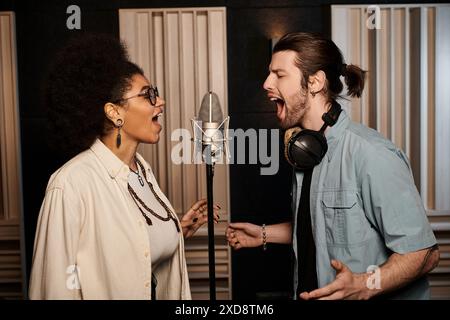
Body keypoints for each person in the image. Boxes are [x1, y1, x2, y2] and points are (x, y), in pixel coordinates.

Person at [226, 32, 439, 300]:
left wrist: (365, 284)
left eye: (279, 75)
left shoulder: (371, 153)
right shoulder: (305, 152)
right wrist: (264, 234)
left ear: (314, 82)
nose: (266, 83)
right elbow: (324, 225)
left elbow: (425, 254)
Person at [29, 34, 219, 300]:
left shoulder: (142, 171)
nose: (160, 102)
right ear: (114, 112)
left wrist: (174, 230)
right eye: (148, 95)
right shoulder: (70, 184)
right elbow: (55, 286)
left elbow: (132, 254)